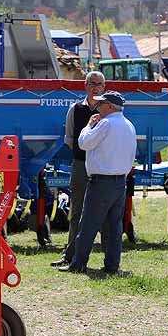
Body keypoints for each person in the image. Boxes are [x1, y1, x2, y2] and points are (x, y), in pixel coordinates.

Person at [59, 91, 137, 274]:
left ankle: (78, 264)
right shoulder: (129, 125)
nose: (97, 107)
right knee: (114, 227)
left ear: (110, 106)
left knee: (88, 225)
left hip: (101, 182)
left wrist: (88, 125)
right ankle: (112, 266)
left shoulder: (105, 123)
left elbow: (84, 143)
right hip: (119, 182)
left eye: (101, 104)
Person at [50, 71, 105, 267]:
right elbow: (69, 140)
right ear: (85, 85)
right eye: (92, 83)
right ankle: (70, 255)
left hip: (101, 167)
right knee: (76, 211)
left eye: (99, 84)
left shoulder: (107, 110)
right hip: (81, 165)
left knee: (104, 212)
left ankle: (109, 258)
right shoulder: (75, 109)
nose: (96, 87)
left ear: (103, 87)